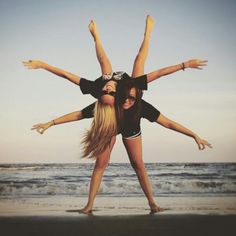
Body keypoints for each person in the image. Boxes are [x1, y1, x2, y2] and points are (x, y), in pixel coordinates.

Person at [29, 16, 212, 215]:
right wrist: (50, 123)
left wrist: (43, 65)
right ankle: (89, 206)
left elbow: (165, 114)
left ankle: (153, 204)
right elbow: (78, 114)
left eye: (107, 92)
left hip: (130, 125)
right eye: (109, 92)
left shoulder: (112, 87)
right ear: (117, 100)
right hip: (112, 124)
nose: (107, 89)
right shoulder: (114, 103)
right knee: (101, 164)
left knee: (137, 163)